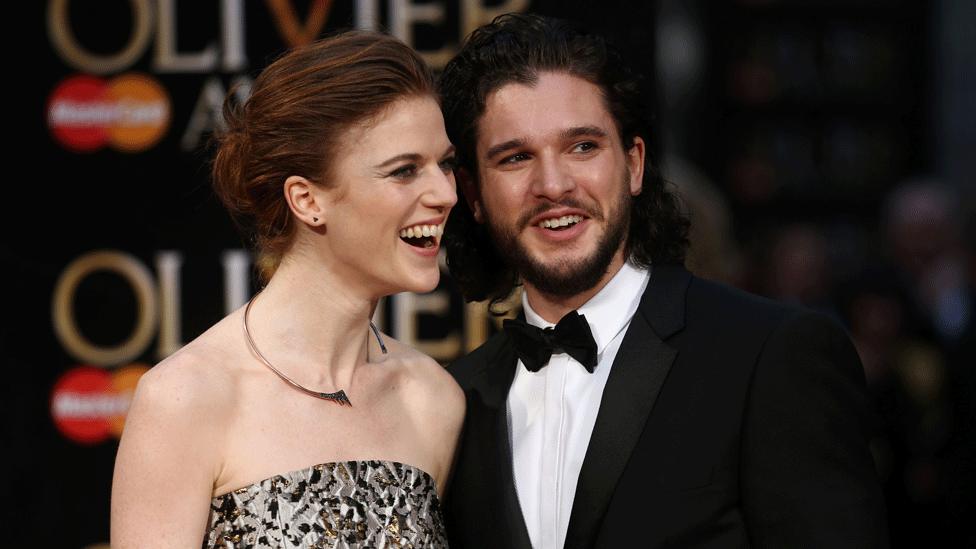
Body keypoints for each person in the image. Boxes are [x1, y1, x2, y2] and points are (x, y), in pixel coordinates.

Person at [439, 13, 888, 548]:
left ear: (633, 165)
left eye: (583, 147)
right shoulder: (453, 401)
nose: (553, 185)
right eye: (515, 158)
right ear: (473, 196)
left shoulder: (770, 356)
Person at [111, 31, 464, 548]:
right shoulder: (187, 399)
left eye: (446, 163)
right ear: (306, 200)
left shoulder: (432, 400)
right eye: (404, 171)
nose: (445, 193)